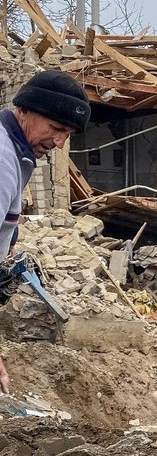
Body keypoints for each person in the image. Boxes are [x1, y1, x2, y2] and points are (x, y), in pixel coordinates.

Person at [0, 71, 90, 394]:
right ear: (23, 111)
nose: (59, 142)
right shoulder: (3, 160)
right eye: (55, 129)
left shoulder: (17, 155)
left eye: (67, 133)